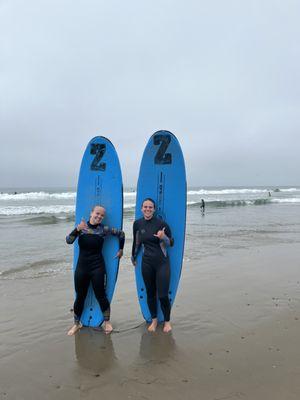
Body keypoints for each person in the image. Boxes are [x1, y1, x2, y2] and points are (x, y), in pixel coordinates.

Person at [66, 205, 125, 335]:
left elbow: (121, 234)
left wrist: (121, 250)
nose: (99, 216)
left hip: (97, 267)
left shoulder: (103, 229)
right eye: (97, 213)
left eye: (102, 215)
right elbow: (68, 240)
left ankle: (107, 322)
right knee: (80, 296)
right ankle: (76, 323)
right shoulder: (81, 228)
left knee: (101, 295)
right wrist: (77, 229)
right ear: (91, 213)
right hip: (82, 268)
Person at [132, 198, 174, 333]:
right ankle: (154, 320)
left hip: (162, 263)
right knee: (150, 293)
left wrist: (163, 237)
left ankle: (167, 321)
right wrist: (133, 256)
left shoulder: (162, 224)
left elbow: (171, 243)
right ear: (141, 208)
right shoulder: (137, 224)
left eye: (150, 207)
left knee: (162, 295)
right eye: (145, 207)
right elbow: (137, 241)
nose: (147, 209)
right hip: (147, 263)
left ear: (154, 209)